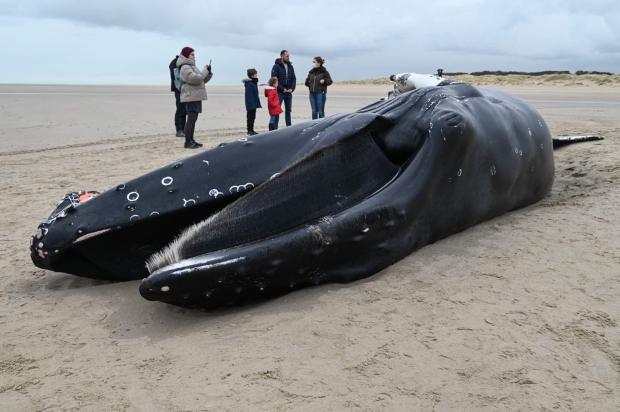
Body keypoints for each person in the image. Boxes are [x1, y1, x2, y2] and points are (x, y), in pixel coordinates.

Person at [177, 47, 213, 149]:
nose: (194, 56)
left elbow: (202, 80)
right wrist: (204, 70)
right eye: (192, 54)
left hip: (196, 95)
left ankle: (191, 140)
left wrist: (208, 72)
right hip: (190, 96)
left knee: (193, 119)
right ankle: (188, 142)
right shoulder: (185, 67)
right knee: (191, 119)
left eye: (194, 54)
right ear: (186, 55)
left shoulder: (191, 66)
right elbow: (196, 79)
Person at [271, 50, 296, 128]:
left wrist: (292, 88)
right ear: (282, 56)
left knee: (288, 111)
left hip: (289, 92)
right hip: (279, 93)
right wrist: (282, 89)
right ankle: (275, 128)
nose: (288, 58)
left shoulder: (290, 66)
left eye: (289, 56)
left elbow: (293, 79)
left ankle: (289, 127)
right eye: (287, 56)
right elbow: (274, 80)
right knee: (277, 110)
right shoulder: (276, 66)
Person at [169, 55, 187, 137]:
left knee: (185, 110)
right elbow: (175, 76)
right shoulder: (175, 62)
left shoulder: (186, 63)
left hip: (185, 89)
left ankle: (183, 129)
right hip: (178, 89)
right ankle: (179, 130)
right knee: (180, 109)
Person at [243, 68, 261, 136]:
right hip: (251, 104)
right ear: (252, 75)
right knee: (250, 117)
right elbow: (249, 96)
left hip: (253, 103)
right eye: (255, 74)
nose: (257, 75)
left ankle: (252, 130)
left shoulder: (254, 83)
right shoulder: (249, 84)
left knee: (253, 117)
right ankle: (249, 130)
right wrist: (252, 105)